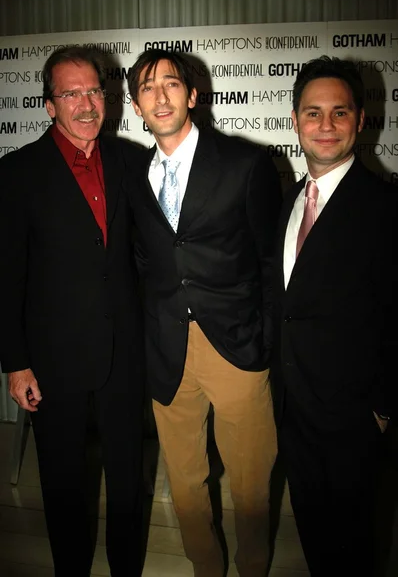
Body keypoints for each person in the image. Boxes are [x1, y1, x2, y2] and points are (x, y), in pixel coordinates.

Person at [123, 48, 282, 577]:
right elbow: (146, 262)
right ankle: (204, 567)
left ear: (192, 95)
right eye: (147, 88)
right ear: (136, 106)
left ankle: (253, 564)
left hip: (235, 345)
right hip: (167, 349)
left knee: (251, 477)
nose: (160, 96)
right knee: (186, 476)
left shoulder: (245, 163)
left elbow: (269, 261)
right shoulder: (134, 177)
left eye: (170, 84)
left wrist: (263, 342)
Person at [0, 46, 145, 577]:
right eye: (71, 93)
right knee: (64, 484)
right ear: (47, 105)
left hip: (125, 353)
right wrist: (15, 363)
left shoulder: (131, 161)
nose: (86, 104)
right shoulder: (16, 173)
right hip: (53, 361)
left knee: (129, 478)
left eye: (93, 91)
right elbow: (7, 275)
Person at [271, 55, 398, 576]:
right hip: (294, 411)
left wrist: (383, 409)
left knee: (358, 547)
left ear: (360, 121)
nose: (326, 126)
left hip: (355, 419)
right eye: (313, 113)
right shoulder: (286, 203)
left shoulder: (386, 208)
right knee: (316, 541)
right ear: (295, 120)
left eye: (339, 113)